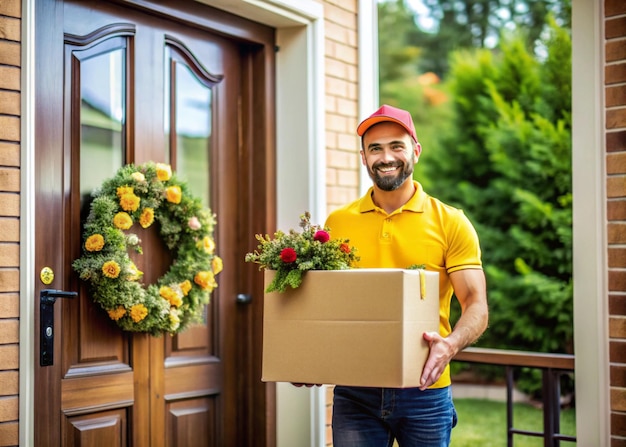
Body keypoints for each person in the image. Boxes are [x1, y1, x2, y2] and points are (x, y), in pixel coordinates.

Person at [324, 104, 489, 447]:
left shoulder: (450, 221)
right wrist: (309, 355)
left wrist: (451, 344)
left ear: (415, 150)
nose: (386, 157)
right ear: (363, 157)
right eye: (375, 148)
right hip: (356, 392)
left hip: (425, 389)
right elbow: (324, 304)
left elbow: (475, 303)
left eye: (396, 146)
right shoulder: (338, 224)